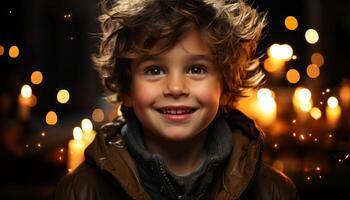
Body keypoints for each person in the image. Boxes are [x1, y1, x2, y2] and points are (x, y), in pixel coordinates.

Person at [55, 0, 299, 199]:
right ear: (128, 89)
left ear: (225, 87)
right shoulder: (81, 191)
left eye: (196, 69)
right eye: (154, 70)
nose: (175, 88)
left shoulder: (273, 192)